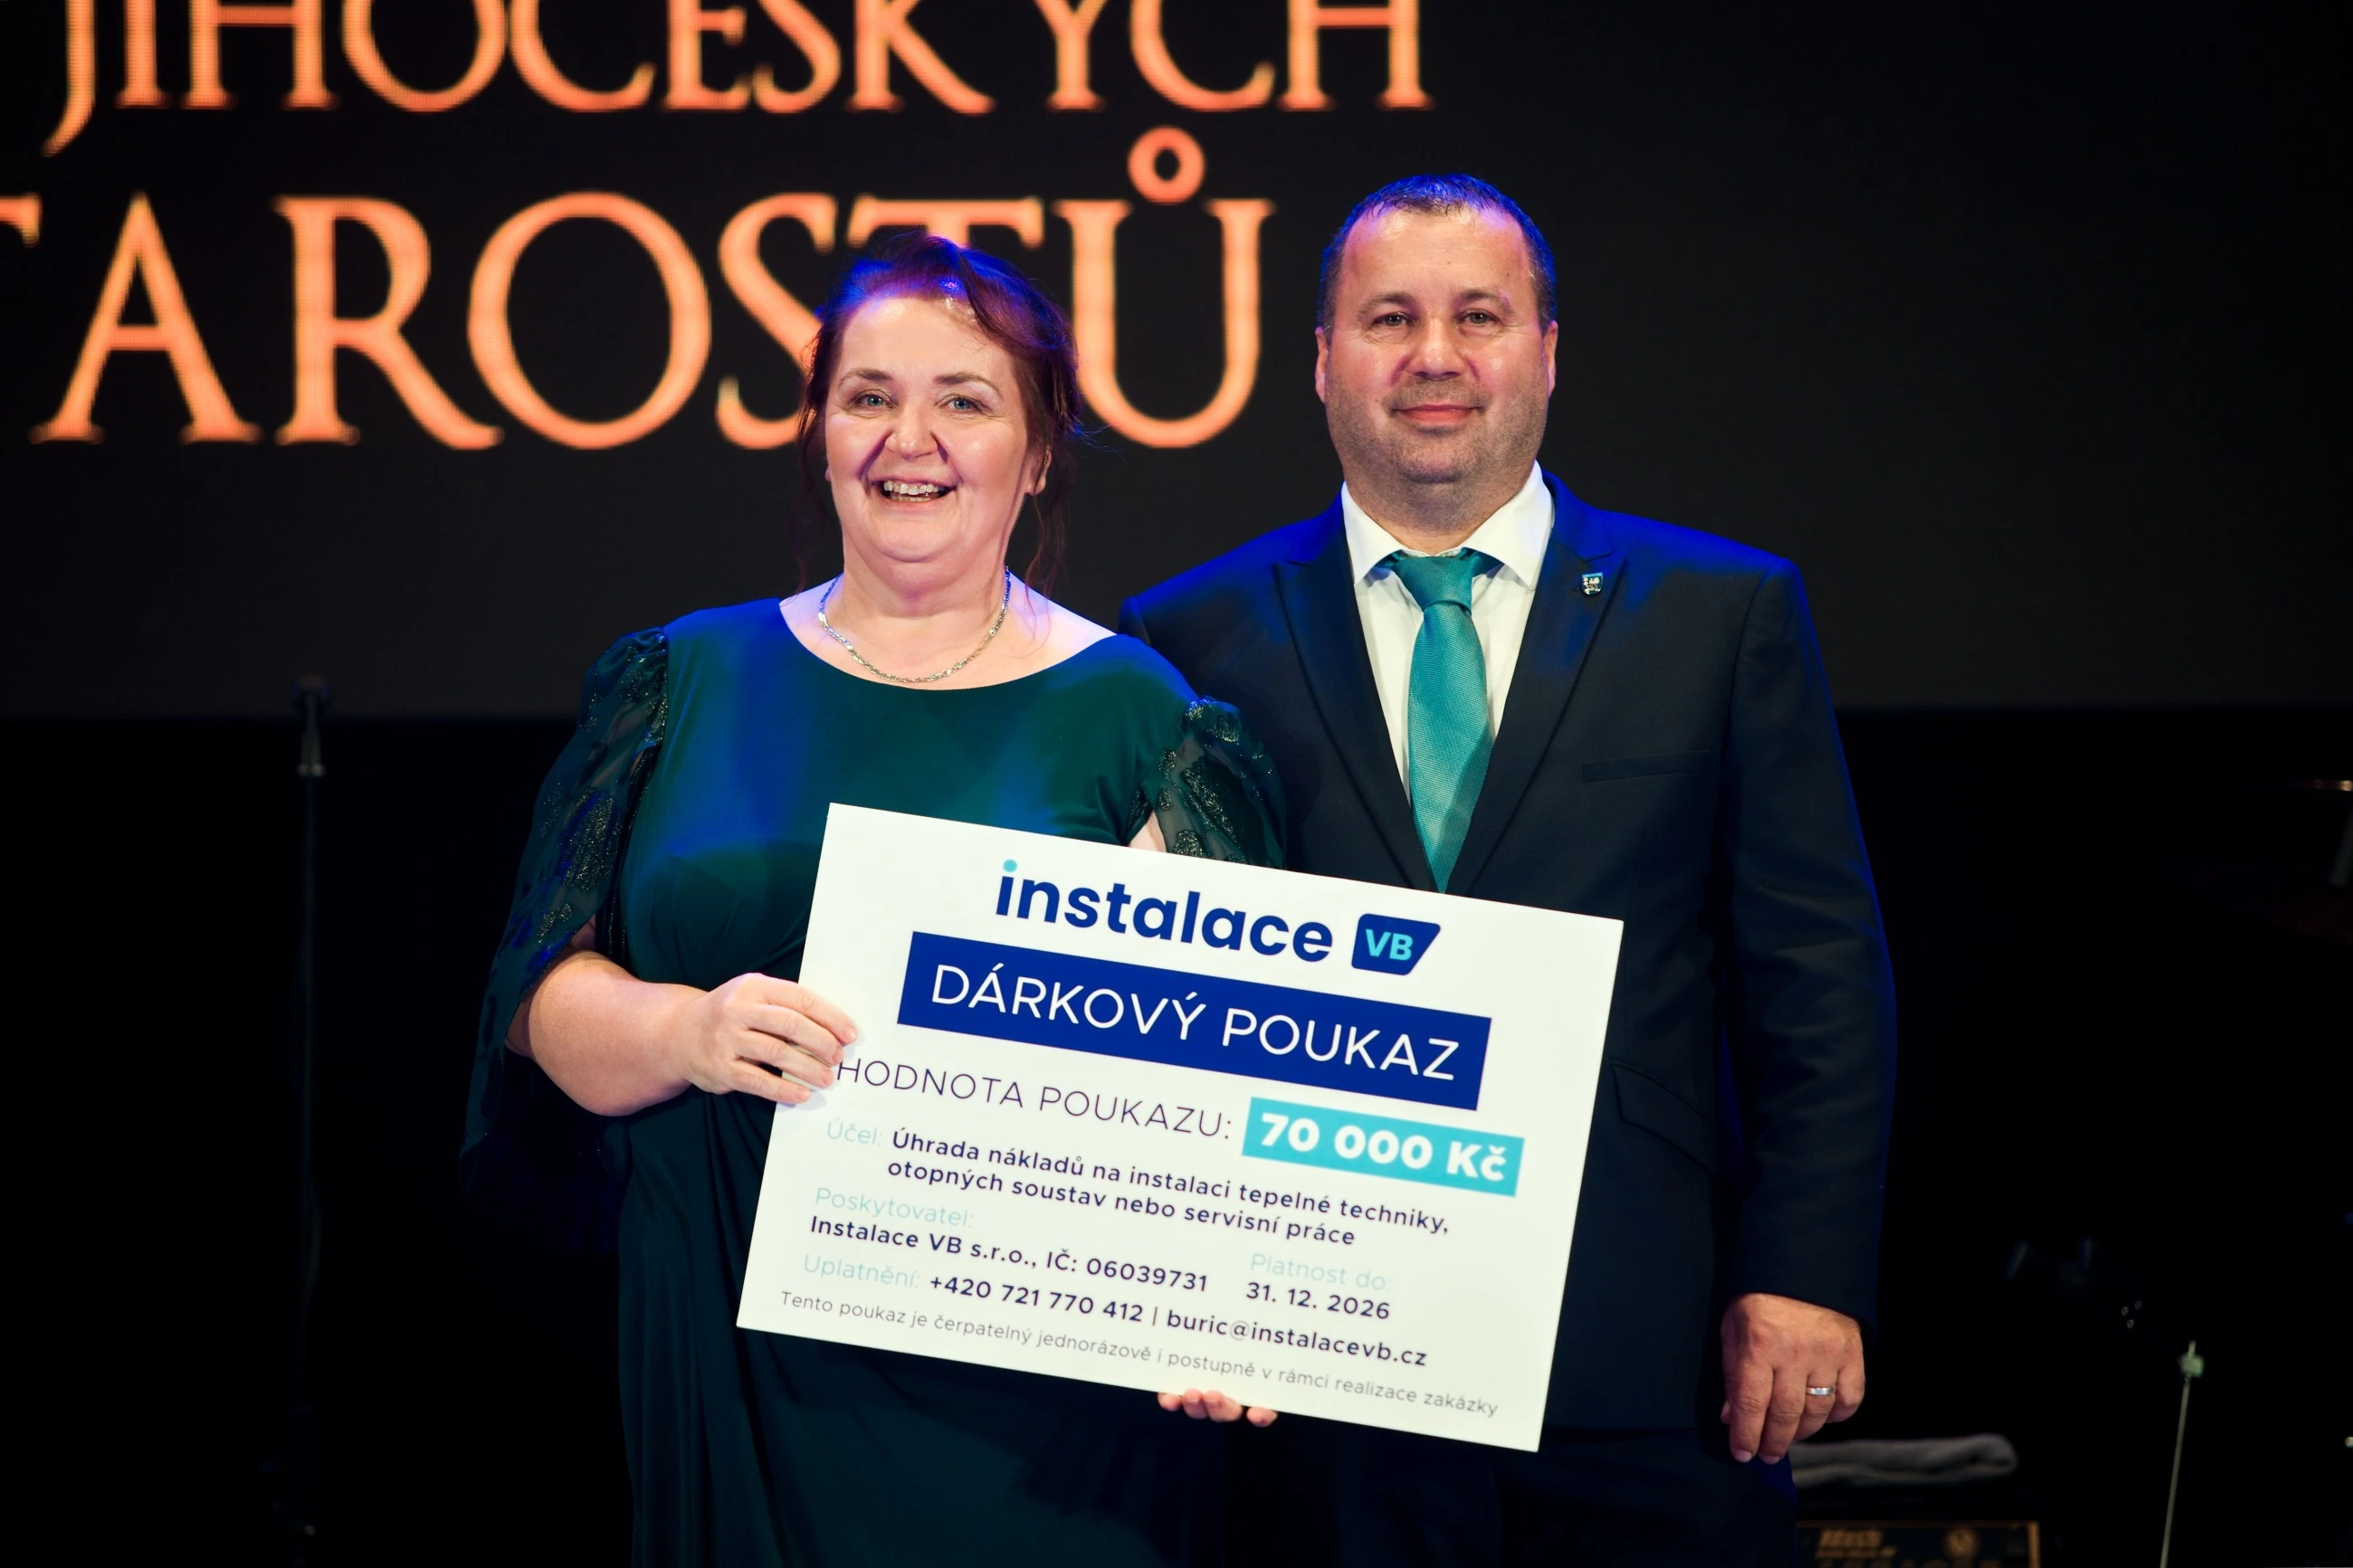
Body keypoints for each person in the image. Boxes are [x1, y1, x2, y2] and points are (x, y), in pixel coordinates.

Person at [462, 236, 1281, 1567]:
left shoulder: (1142, 715)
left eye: (965, 399)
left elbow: (1225, 1076)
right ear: (820, 432)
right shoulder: (679, 679)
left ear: (1039, 450)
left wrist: (1223, 1304)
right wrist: (684, 1031)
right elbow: (537, 999)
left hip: (1036, 1400)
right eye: (869, 396)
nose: (912, 438)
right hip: (726, 1328)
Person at [1119, 176, 1898, 1563]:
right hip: (1312, 1375)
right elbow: (1163, 1005)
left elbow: (1817, 979)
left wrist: (1803, 1273)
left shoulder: (1721, 615)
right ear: (1322, 359)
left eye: (1479, 316)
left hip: (1645, 1364)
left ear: (1546, 350)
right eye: (1389, 319)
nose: (1436, 355)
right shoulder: (1188, 636)